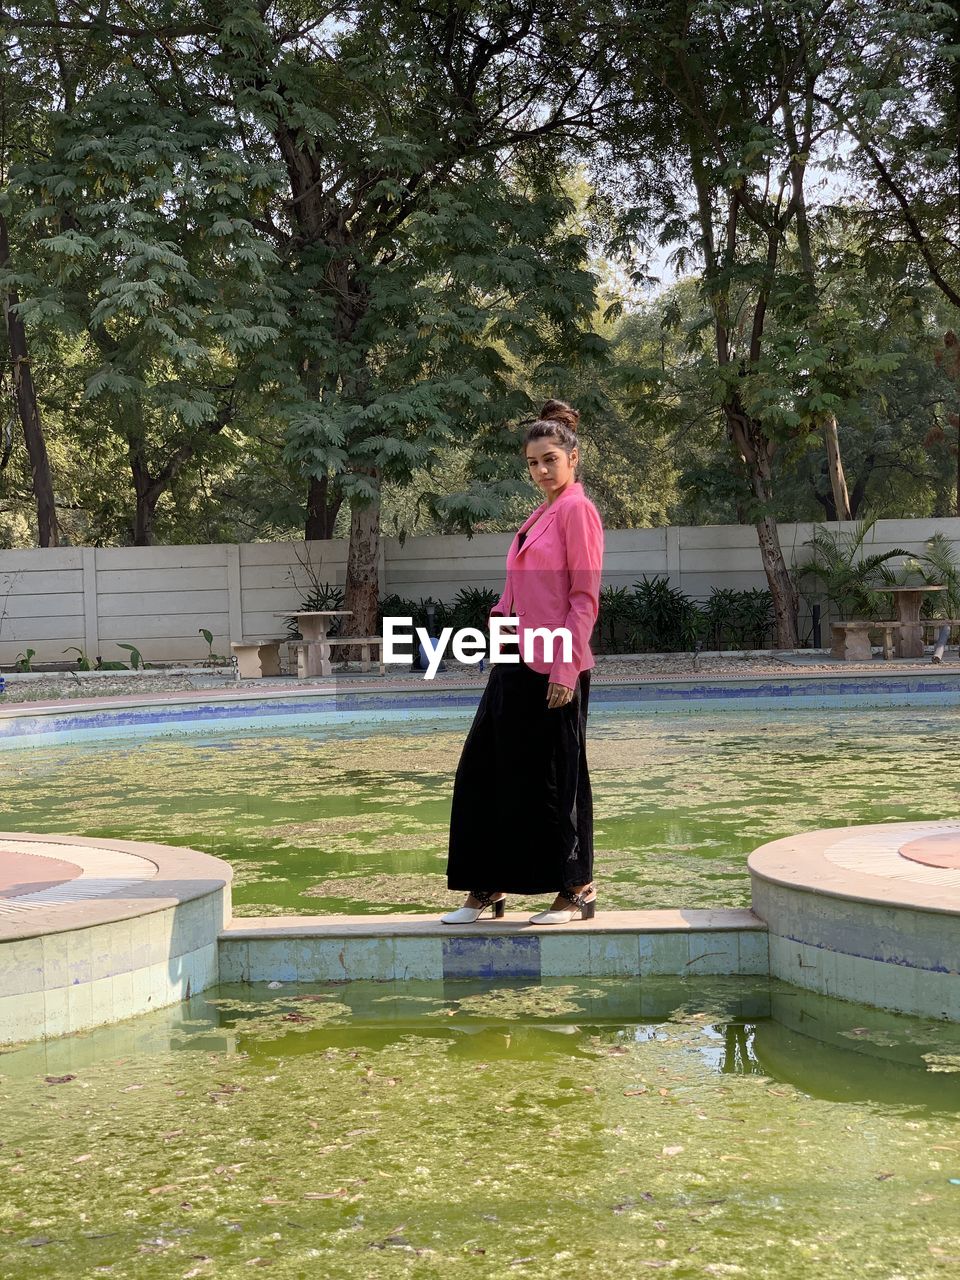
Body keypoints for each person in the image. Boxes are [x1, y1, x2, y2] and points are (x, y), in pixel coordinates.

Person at [442, 399, 604, 925]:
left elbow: (584, 597)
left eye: (549, 459)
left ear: (572, 457)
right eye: (533, 463)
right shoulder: (541, 513)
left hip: (556, 664)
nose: (540, 470)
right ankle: (487, 887)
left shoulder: (577, 510)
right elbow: (519, 585)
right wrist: (498, 618)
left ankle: (576, 890)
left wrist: (565, 667)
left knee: (556, 780)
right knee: (484, 773)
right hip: (514, 660)